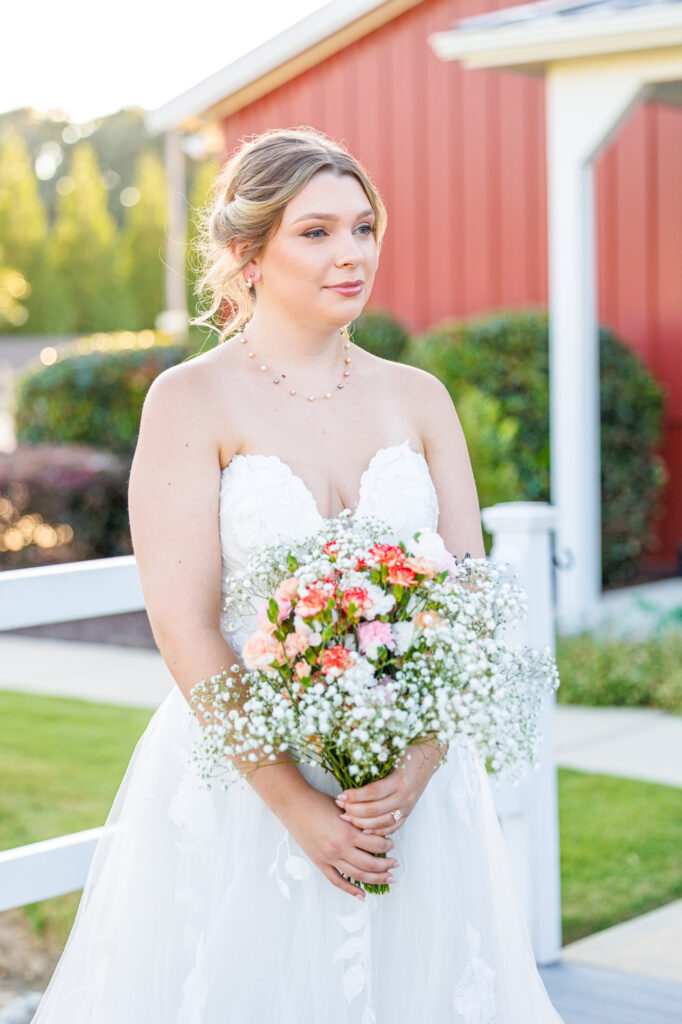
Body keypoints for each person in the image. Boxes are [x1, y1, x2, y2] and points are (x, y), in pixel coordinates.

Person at [31, 126, 565, 1022]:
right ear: (248, 253)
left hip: (410, 798)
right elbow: (185, 623)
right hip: (245, 789)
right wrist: (296, 806)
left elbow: (467, 599)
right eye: (315, 232)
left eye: (363, 228)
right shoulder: (189, 400)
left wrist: (420, 766)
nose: (351, 253)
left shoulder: (417, 397)